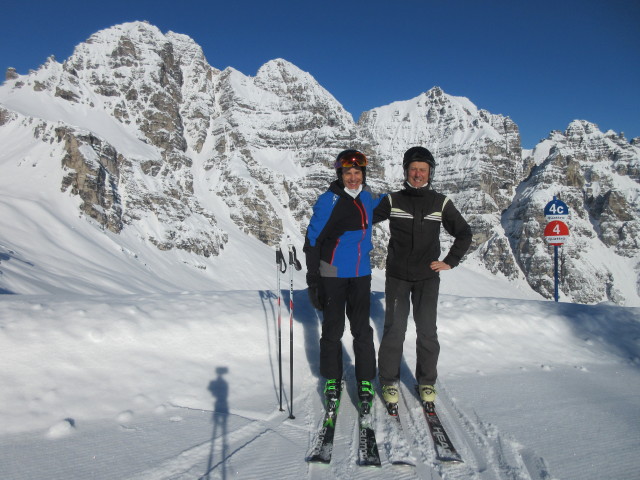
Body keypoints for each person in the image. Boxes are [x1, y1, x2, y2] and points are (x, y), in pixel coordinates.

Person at [374, 146, 472, 405]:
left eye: (423, 170)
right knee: (394, 330)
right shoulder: (392, 200)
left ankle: (426, 382)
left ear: (430, 173)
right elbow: (362, 220)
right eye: (414, 169)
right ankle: (388, 381)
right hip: (397, 277)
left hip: (427, 278)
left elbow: (464, 233)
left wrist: (449, 261)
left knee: (427, 331)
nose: (418, 174)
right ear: (406, 170)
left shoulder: (440, 202)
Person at [304, 149, 383, 411]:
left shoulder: (367, 197)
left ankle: (365, 380)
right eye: (347, 172)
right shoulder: (328, 201)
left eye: (357, 172)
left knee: (362, 330)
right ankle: (332, 380)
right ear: (340, 174)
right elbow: (313, 240)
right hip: (332, 272)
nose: (352, 177)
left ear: (363, 174)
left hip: (361, 273)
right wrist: (313, 279)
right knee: (333, 329)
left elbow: (382, 206)